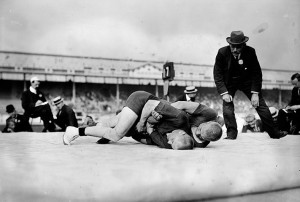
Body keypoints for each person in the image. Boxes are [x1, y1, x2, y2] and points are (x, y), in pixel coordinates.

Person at [213, 30, 287, 139]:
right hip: (229, 83)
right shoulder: (222, 52)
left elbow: (257, 73)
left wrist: (255, 93)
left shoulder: (250, 52)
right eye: (232, 46)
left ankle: (274, 133)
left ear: (244, 45)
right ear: (229, 44)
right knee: (227, 107)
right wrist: (224, 93)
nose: (235, 50)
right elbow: (217, 74)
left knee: (261, 105)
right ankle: (231, 134)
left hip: (246, 82)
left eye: (238, 47)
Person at [63, 91, 194, 150]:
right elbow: (150, 105)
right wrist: (143, 122)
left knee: (113, 124)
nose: (169, 141)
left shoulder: (168, 144)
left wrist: (138, 129)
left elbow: (148, 137)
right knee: (117, 134)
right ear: (182, 133)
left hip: (144, 114)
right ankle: (74, 131)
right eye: (173, 140)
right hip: (142, 101)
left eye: (171, 144)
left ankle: (95, 127)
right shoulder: (180, 119)